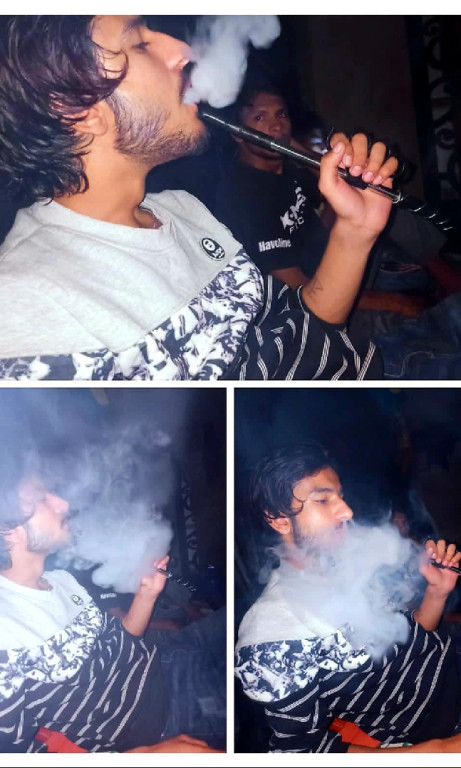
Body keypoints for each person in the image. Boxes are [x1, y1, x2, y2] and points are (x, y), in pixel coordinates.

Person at [0, 14, 399, 380]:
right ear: (77, 109)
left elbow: (301, 334)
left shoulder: (184, 210)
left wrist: (355, 230)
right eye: (140, 44)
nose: (183, 51)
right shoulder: (25, 302)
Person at [235, 441, 461, 753]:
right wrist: (441, 750)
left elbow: (414, 644)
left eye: (340, 496)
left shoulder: (355, 565)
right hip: (434, 729)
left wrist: (437, 593)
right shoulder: (272, 636)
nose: (347, 511)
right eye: (323, 500)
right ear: (278, 520)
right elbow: (303, 751)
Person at [0, 454, 225, 753]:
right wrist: (146, 754)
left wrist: (147, 594)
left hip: (167, 659)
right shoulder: (6, 630)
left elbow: (123, 640)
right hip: (161, 720)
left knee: (238, 615)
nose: (63, 504)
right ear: (7, 530)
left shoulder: (63, 580)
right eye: (42, 498)